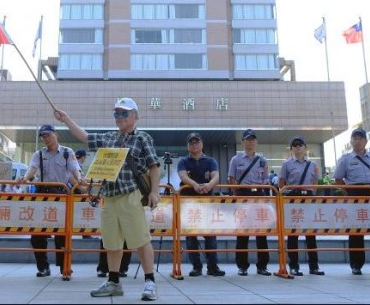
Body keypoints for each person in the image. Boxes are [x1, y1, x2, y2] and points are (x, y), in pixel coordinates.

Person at [54, 97, 161, 301]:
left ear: (135, 116)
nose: (119, 117)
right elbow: (85, 137)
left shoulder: (142, 138)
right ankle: (114, 282)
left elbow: (153, 166)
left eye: (124, 113)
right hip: (109, 197)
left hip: (130, 195)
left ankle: (150, 281)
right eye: (116, 114)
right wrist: (66, 119)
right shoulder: (110, 138)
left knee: (141, 239)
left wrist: (154, 192)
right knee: (111, 242)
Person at [16, 125, 82, 277]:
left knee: (62, 234)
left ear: (55, 135)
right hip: (42, 196)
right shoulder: (39, 154)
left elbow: (74, 168)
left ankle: (64, 267)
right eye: (43, 136)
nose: (46, 138)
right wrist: (25, 178)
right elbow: (32, 168)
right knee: (37, 235)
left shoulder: (67, 152)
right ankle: (43, 267)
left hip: (61, 195)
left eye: (48, 135)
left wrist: (79, 179)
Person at [333, 128, 370, 275]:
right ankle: (356, 264)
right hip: (355, 194)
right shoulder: (345, 159)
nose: (357, 141)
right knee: (356, 229)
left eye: (360, 138)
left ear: (365, 141)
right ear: (351, 141)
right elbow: (338, 179)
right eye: (354, 138)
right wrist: (349, 192)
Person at [177, 132, 225, 277]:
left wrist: (209, 185)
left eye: (197, 142)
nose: (195, 145)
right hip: (188, 204)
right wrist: (195, 185)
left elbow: (216, 176)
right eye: (191, 142)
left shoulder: (210, 160)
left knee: (210, 235)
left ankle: (213, 266)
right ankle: (196, 267)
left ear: (202, 144)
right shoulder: (183, 161)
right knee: (191, 236)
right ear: (188, 146)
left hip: (207, 203)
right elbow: (183, 176)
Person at [278, 136, 325, 277]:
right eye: (295, 145)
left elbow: (315, 181)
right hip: (293, 200)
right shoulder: (286, 164)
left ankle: (314, 266)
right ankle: (293, 266)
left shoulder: (313, 165)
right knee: (293, 234)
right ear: (291, 149)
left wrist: (311, 194)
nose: (298, 147)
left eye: (300, 145)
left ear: (305, 148)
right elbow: (281, 183)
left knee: (311, 234)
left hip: (308, 199)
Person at [228, 129, 271, 277]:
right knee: (242, 232)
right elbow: (231, 179)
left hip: (258, 195)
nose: (250, 141)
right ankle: (242, 266)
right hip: (243, 195)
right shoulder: (236, 159)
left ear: (256, 142)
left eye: (253, 139)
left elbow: (266, 180)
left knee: (261, 233)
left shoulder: (262, 160)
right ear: (243, 142)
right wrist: (237, 195)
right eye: (248, 139)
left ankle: (262, 266)